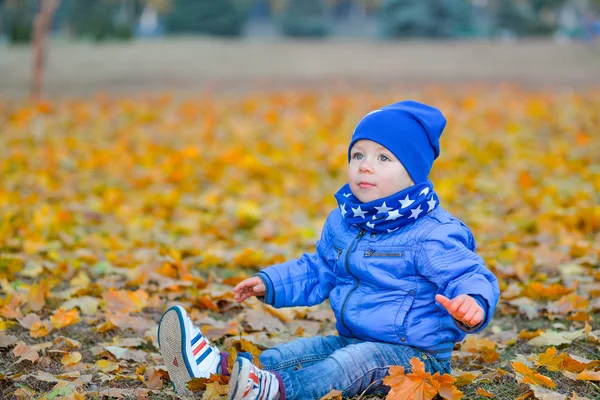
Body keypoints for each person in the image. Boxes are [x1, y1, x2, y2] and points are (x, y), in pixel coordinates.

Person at [158, 100, 501, 400]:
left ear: (413, 175)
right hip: (351, 338)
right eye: (358, 155)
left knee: (344, 365)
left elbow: (470, 275)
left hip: (415, 358)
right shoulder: (345, 222)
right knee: (298, 352)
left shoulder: (432, 233)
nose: (365, 165)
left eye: (384, 157)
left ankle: (277, 391)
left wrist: (472, 303)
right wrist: (271, 282)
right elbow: (319, 269)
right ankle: (218, 370)